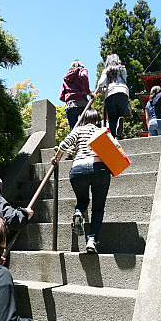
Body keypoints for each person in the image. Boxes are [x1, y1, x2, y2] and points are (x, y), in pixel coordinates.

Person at [51, 108, 111, 255]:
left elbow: (64, 144)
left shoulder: (78, 130)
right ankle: (92, 239)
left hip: (78, 169)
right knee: (98, 208)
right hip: (99, 168)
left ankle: (79, 212)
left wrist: (57, 158)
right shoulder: (102, 130)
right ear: (97, 119)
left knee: (82, 199)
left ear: (83, 118)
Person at [97, 54, 129, 138]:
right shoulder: (123, 69)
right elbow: (124, 80)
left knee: (112, 118)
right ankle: (120, 121)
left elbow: (101, 83)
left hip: (111, 93)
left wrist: (102, 88)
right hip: (123, 92)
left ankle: (114, 137)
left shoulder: (107, 70)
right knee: (120, 115)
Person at [59, 60, 93, 131]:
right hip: (82, 103)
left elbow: (62, 97)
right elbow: (84, 76)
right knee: (87, 126)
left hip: (70, 106)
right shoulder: (82, 70)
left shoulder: (66, 77)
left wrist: (69, 99)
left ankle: (74, 142)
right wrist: (88, 93)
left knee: (73, 129)